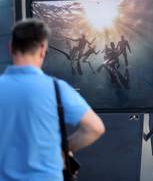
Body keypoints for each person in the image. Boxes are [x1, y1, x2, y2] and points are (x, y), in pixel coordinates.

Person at [0, 19, 105, 180]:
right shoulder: (57, 89)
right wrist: (63, 148)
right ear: (42, 49)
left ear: (10, 47)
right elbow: (95, 128)